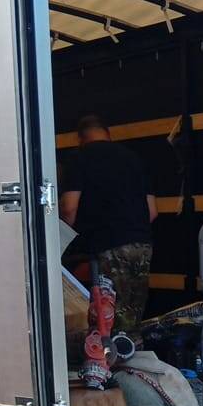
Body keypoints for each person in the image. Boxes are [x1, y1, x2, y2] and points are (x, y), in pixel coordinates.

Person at [59, 115, 158, 332]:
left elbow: (69, 208)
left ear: (80, 138)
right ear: (108, 134)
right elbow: (152, 212)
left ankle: (108, 352)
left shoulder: (79, 158)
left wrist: (63, 243)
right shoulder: (134, 159)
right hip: (142, 245)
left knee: (107, 315)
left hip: (107, 245)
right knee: (133, 314)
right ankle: (131, 349)